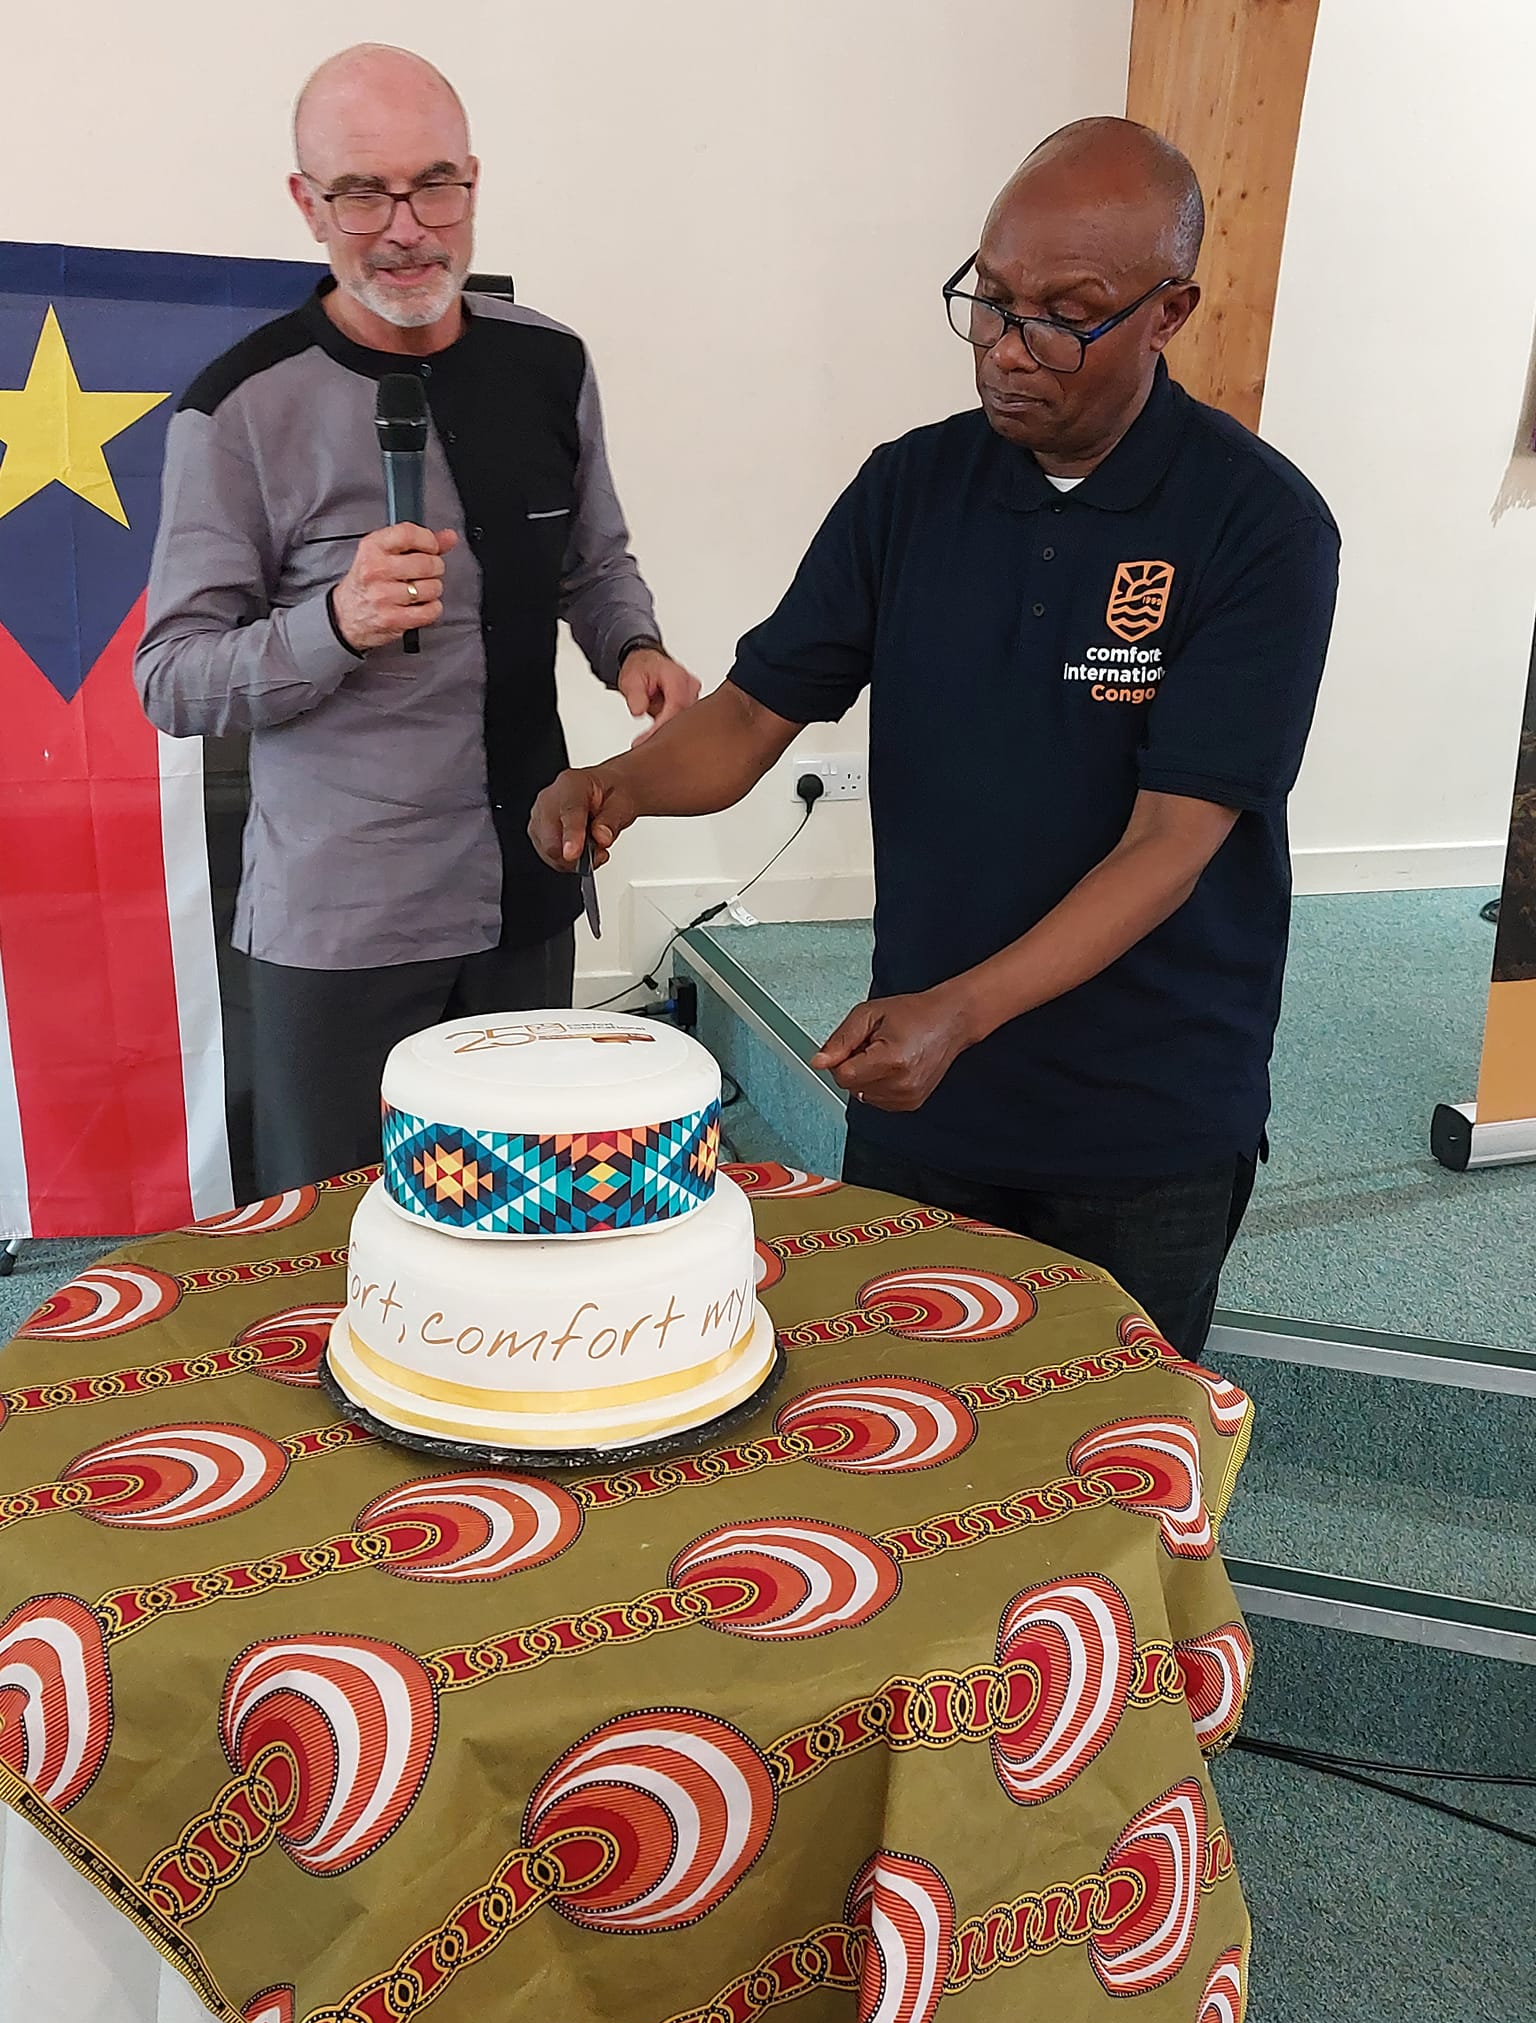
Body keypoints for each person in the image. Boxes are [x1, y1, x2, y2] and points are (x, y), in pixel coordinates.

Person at [530, 117, 1340, 1361]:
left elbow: (1173, 840)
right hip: (923, 1092)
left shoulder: (1260, 525)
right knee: (898, 1433)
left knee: (1109, 1460)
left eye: (1065, 314)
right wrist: (618, 784)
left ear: (1169, 312)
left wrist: (960, 1011)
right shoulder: (910, 490)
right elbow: (751, 717)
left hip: (1144, 1112)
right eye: (990, 300)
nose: (1010, 351)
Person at [137, 44, 698, 1196]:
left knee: (522, 1209)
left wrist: (632, 649)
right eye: (361, 192)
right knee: (338, 1244)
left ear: (474, 184)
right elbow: (172, 677)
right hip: (342, 926)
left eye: (434, 184)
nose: (406, 227)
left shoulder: (550, 362)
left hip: (529, 883)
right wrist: (332, 622)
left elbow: (593, 563)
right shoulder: (237, 408)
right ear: (307, 204)